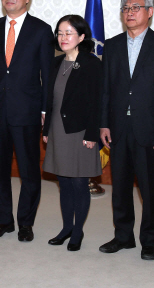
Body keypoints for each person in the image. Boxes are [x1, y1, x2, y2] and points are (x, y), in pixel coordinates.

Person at [98, 0, 154, 260]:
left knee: (150, 189)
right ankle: (123, 236)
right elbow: (106, 89)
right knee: (119, 187)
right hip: (118, 127)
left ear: (150, 12)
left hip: (150, 128)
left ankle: (150, 240)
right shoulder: (112, 45)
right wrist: (104, 123)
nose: (129, 12)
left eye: (136, 7)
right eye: (125, 8)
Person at [0, 0, 54, 242]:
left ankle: (25, 223)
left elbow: (48, 73)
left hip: (28, 111)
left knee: (29, 171)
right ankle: (4, 221)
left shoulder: (42, 30)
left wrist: (45, 110)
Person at [42, 15, 102, 251]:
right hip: (58, 129)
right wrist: (47, 130)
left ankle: (78, 232)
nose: (63, 37)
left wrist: (92, 134)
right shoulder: (56, 63)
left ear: (82, 37)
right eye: (60, 32)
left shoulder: (91, 63)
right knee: (63, 183)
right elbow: (51, 101)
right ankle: (66, 228)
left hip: (80, 132)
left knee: (79, 182)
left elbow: (97, 101)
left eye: (69, 33)